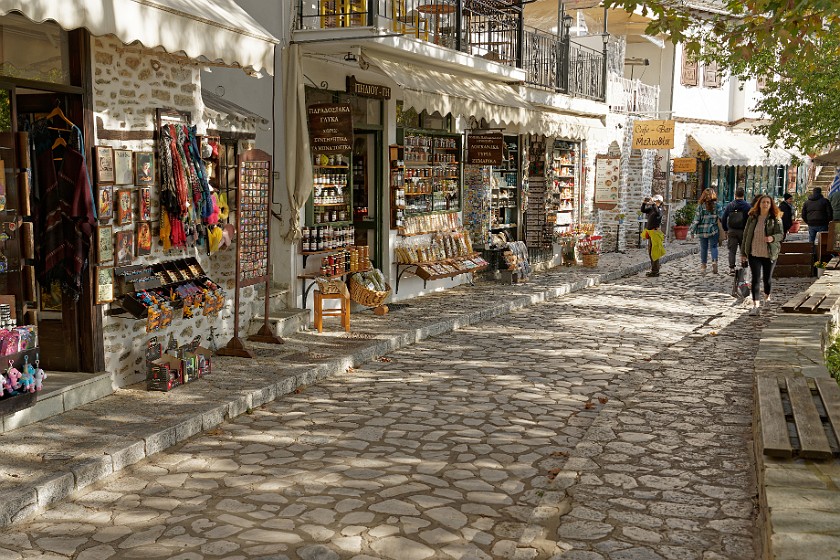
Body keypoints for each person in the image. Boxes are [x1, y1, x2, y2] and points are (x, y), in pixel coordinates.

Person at [741, 194, 784, 315]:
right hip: (754, 253)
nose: (765, 204)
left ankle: (767, 297)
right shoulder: (752, 217)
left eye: (768, 202)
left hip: (769, 253)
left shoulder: (776, 218)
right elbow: (746, 235)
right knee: (755, 279)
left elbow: (781, 234)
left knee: (767, 279)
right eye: (763, 202)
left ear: (771, 205)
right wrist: (743, 253)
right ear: (759, 204)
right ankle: (756, 306)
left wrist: (772, 238)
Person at [689, 188, 721, 274]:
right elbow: (721, 217)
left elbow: (696, 220)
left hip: (702, 231)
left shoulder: (701, 206)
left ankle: (703, 265)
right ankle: (714, 261)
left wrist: (692, 231)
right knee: (713, 247)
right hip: (713, 230)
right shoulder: (717, 206)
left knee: (704, 248)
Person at [721, 188, 752, 275]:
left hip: (732, 230)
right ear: (743, 195)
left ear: (735, 195)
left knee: (732, 250)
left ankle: (732, 268)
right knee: (744, 250)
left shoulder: (730, 205)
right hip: (744, 231)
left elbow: (724, 218)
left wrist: (726, 229)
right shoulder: (747, 206)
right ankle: (744, 265)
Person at [640, 194, 665, 277]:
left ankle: (655, 271)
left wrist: (653, 204)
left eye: (656, 201)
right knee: (650, 252)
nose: (654, 202)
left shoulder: (660, 209)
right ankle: (654, 269)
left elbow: (657, 212)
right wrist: (644, 203)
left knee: (654, 252)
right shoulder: (652, 209)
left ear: (659, 202)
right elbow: (643, 210)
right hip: (650, 232)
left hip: (655, 233)